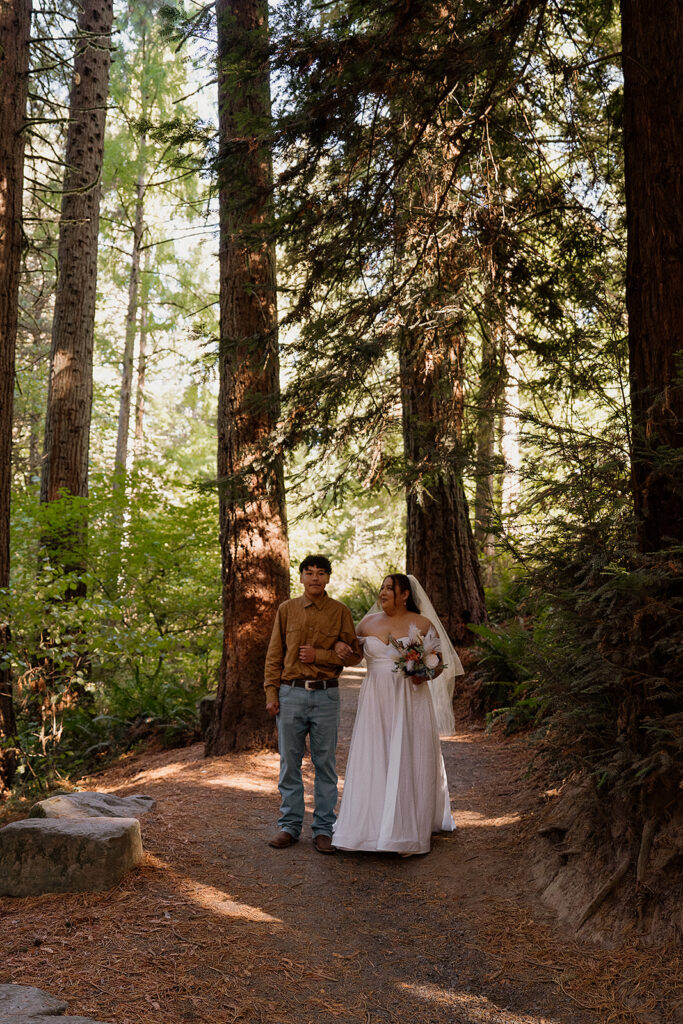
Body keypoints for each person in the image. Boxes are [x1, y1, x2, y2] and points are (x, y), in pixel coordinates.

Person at [332, 573, 462, 856]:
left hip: (410, 699)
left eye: (390, 588)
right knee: (374, 754)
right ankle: (367, 829)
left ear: (405, 594)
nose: (383, 592)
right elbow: (356, 657)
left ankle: (405, 832)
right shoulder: (366, 624)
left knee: (407, 755)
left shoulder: (423, 624)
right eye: (382, 588)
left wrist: (424, 674)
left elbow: (439, 664)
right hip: (375, 700)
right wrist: (343, 652)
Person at [265, 555, 361, 854]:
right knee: (289, 763)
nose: (315, 578)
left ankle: (323, 829)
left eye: (321, 573)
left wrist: (322, 655)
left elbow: (355, 656)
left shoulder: (340, 612)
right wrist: (271, 693)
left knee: (325, 764)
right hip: (290, 693)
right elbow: (274, 654)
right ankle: (289, 826)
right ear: (302, 577)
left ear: (329, 578)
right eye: (310, 573)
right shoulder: (287, 610)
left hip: (326, 695)